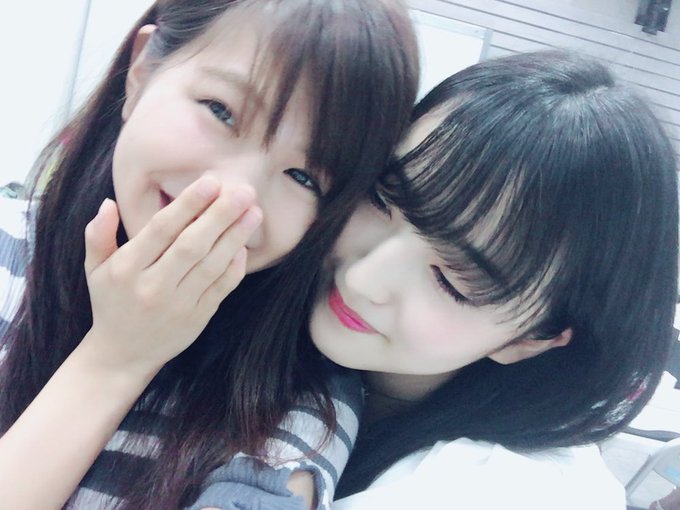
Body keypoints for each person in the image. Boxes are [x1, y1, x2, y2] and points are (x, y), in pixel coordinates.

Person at [0, 1, 419, 509]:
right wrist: (115, 354)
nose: (232, 194)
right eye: (221, 111)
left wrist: (121, 355)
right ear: (142, 69)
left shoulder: (297, 409)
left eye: (303, 177)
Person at [308, 50, 679, 509]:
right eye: (382, 199)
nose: (363, 279)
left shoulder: (500, 489)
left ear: (534, 337)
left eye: (452, 281)